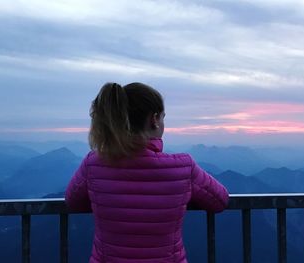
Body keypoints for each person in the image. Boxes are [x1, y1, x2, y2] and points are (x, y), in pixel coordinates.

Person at [65, 82, 229, 263]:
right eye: (164, 117)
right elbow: (220, 200)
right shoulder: (182, 167)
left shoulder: (94, 164)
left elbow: (73, 202)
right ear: (155, 119)